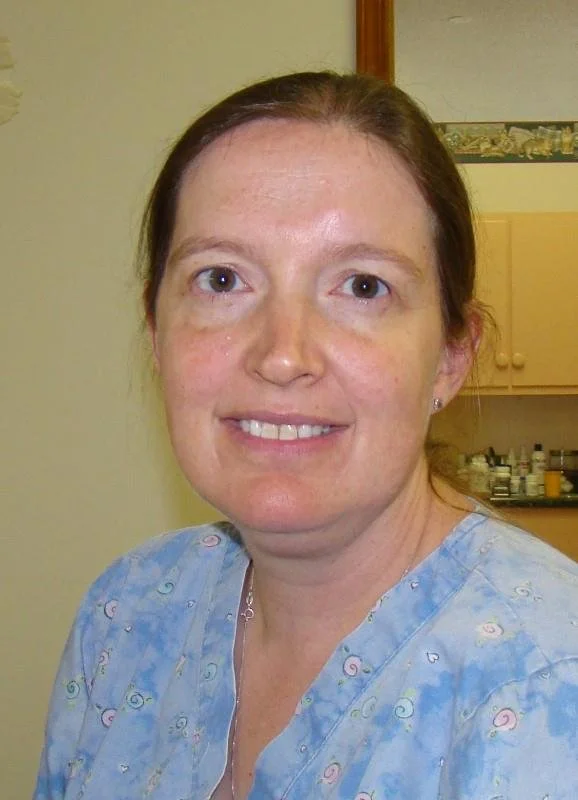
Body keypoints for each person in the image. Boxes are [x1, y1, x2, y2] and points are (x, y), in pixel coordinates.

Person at [35, 72, 578, 800]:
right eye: (222, 280)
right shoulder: (129, 614)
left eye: (361, 286)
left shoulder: (545, 684)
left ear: (452, 355)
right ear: (156, 332)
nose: (283, 354)